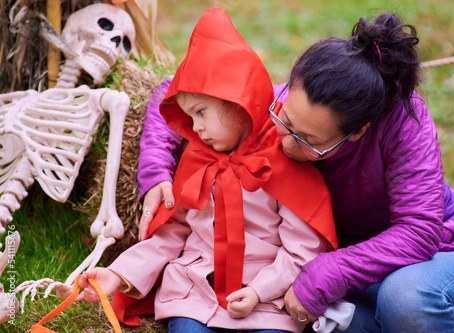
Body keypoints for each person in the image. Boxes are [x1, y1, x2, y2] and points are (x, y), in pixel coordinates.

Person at [136, 11, 454, 333]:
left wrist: (325, 274)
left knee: (405, 298)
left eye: (310, 140)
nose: (287, 145)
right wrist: (156, 174)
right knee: (307, 317)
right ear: (289, 90)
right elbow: (171, 90)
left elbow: (419, 231)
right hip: (361, 275)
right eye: (286, 122)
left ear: (358, 131)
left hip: (446, 263)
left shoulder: (403, 121)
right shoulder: (278, 106)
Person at [76, 7, 338, 333]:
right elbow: (172, 235)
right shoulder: (198, 161)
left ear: (238, 99)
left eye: (201, 112)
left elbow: (302, 250)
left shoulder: (285, 163)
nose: (195, 128)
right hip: (194, 294)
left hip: (267, 301)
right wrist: (118, 273)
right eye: (190, 116)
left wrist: (259, 291)